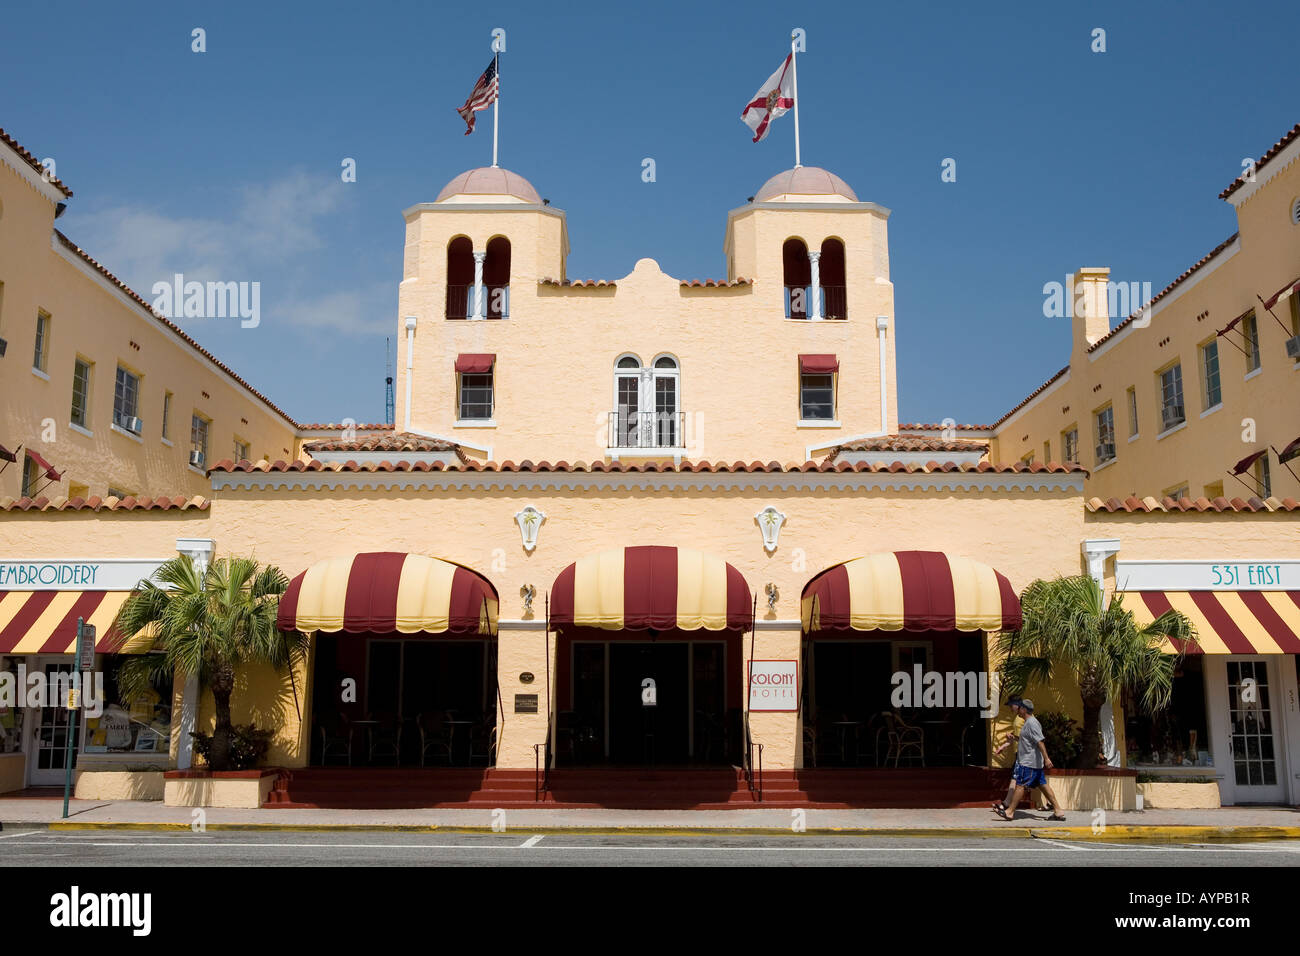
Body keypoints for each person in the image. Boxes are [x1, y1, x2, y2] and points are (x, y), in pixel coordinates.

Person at [996, 699, 1065, 821]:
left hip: (1029, 762)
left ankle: (1010, 811)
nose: (1018, 710)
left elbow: (1040, 741)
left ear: (1024, 709)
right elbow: (1028, 741)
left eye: (1020, 708)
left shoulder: (1032, 723)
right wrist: (1014, 738)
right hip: (1033, 763)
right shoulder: (1028, 723)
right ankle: (1058, 810)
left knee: (1020, 785)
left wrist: (1047, 758)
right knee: (1043, 786)